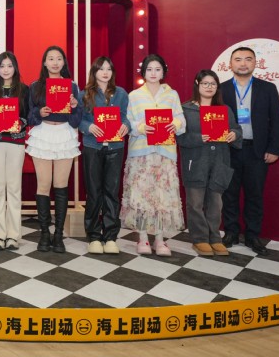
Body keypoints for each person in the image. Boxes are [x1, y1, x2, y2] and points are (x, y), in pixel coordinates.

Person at [220, 47, 279, 256]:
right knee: (229, 194)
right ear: (231, 64)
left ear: (255, 63)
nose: (243, 63)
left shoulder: (267, 88)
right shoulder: (221, 89)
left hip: (257, 150)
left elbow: (277, 121)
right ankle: (231, 233)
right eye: (238, 59)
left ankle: (252, 235)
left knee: (254, 195)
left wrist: (274, 148)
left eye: (248, 59)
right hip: (229, 150)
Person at [120, 54, 186, 257]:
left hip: (164, 153)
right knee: (141, 195)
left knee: (161, 197)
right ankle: (142, 238)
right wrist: (140, 127)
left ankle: (160, 239)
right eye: (149, 69)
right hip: (141, 153)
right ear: (143, 72)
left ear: (163, 72)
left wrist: (175, 124)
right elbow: (127, 122)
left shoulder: (172, 95)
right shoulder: (134, 96)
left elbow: (181, 120)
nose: (153, 73)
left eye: (157, 69)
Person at [177, 69, 241, 256]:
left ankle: (215, 238)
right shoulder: (186, 109)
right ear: (197, 84)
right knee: (195, 203)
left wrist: (233, 134)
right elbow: (179, 137)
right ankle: (199, 239)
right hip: (195, 162)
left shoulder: (224, 110)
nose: (209, 87)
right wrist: (199, 138)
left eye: (213, 84)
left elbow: (236, 129)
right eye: (205, 83)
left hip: (219, 161)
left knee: (216, 203)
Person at [26, 45, 82, 254]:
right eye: (51, 58)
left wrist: (74, 106)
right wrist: (39, 112)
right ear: (44, 63)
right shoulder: (35, 86)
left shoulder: (72, 86)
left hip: (65, 135)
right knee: (43, 185)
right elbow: (29, 117)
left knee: (60, 185)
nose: (55, 62)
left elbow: (76, 121)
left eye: (59, 58)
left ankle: (58, 235)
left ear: (63, 62)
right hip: (43, 135)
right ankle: (44, 233)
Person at [78, 56, 129, 255]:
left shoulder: (121, 93)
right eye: (101, 69)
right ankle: (93, 236)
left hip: (115, 147)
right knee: (93, 192)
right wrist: (88, 126)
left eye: (109, 69)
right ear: (94, 72)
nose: (105, 72)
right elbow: (78, 119)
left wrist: (126, 125)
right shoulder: (85, 94)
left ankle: (110, 237)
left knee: (112, 192)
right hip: (93, 146)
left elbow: (126, 116)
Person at [0, 52, 29, 251]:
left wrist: (20, 123)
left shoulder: (24, 90)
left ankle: (13, 235)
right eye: (2, 66)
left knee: (14, 188)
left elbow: (28, 115)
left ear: (15, 68)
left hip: (16, 142)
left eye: (10, 66)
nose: (6, 70)